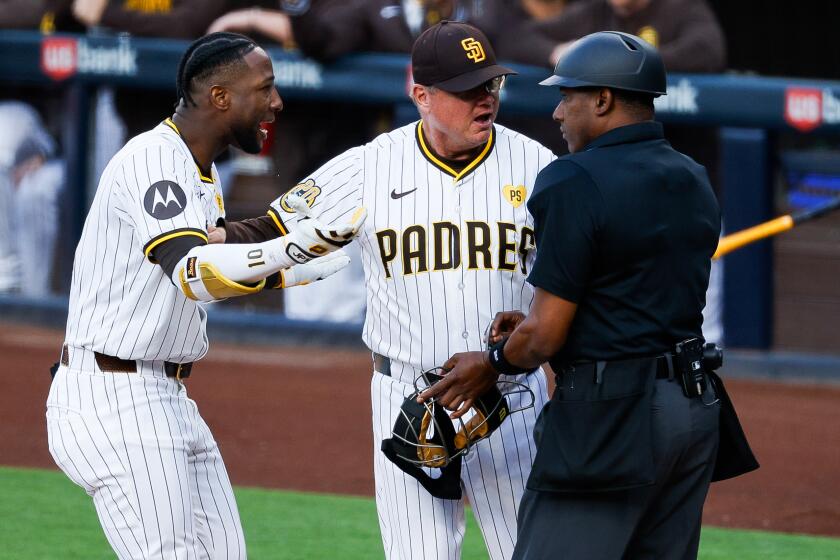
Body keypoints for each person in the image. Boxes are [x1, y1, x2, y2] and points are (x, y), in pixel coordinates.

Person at [216, 21, 555, 560]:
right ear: (421, 94)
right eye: (468, 89)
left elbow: (565, 287)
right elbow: (274, 228)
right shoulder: (370, 166)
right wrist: (195, 239)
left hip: (509, 396)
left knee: (531, 551)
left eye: (491, 84)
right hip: (406, 395)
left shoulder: (538, 167)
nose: (485, 98)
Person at [45, 32, 365, 559]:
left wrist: (293, 268)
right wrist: (292, 251)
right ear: (221, 97)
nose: (277, 102)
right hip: (114, 399)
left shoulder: (201, 170)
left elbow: (212, 279)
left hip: (164, 397)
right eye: (265, 88)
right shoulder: (152, 160)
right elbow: (193, 273)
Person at [421, 31, 723, 559]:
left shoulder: (572, 180)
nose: (558, 113)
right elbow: (627, 293)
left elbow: (544, 336)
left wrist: (492, 360)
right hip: (693, 411)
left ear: (603, 100)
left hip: (611, 417)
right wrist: (543, 324)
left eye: (568, 97)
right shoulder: (692, 176)